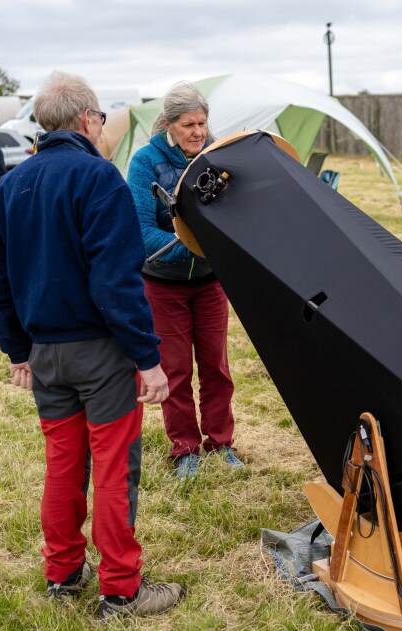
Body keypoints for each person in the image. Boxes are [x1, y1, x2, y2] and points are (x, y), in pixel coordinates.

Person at [0, 70, 185, 621]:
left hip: (45, 352)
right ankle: (121, 589)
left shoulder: (13, 186)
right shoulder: (99, 179)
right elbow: (115, 283)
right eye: (99, 118)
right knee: (113, 468)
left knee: (63, 465)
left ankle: (64, 571)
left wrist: (16, 347)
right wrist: (149, 359)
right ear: (88, 119)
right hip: (99, 353)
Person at [126, 82, 243, 478]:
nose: (198, 132)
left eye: (202, 123)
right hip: (163, 283)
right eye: (189, 125)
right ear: (168, 125)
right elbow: (142, 233)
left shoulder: (217, 155)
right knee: (175, 371)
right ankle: (185, 449)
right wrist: (198, 247)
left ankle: (221, 443)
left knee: (216, 367)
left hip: (210, 282)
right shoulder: (145, 162)